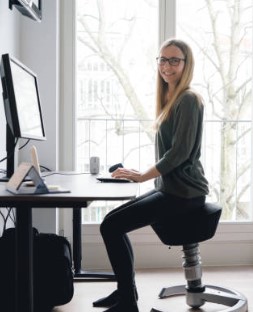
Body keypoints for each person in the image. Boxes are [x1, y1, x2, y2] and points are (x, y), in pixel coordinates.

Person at [92, 38, 209, 312]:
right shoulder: (171, 97)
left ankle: (126, 301)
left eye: (174, 60)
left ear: (186, 65)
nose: (167, 66)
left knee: (110, 226)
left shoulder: (189, 99)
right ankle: (125, 293)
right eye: (162, 59)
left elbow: (179, 153)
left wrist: (143, 176)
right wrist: (141, 174)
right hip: (170, 189)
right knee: (111, 223)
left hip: (185, 194)